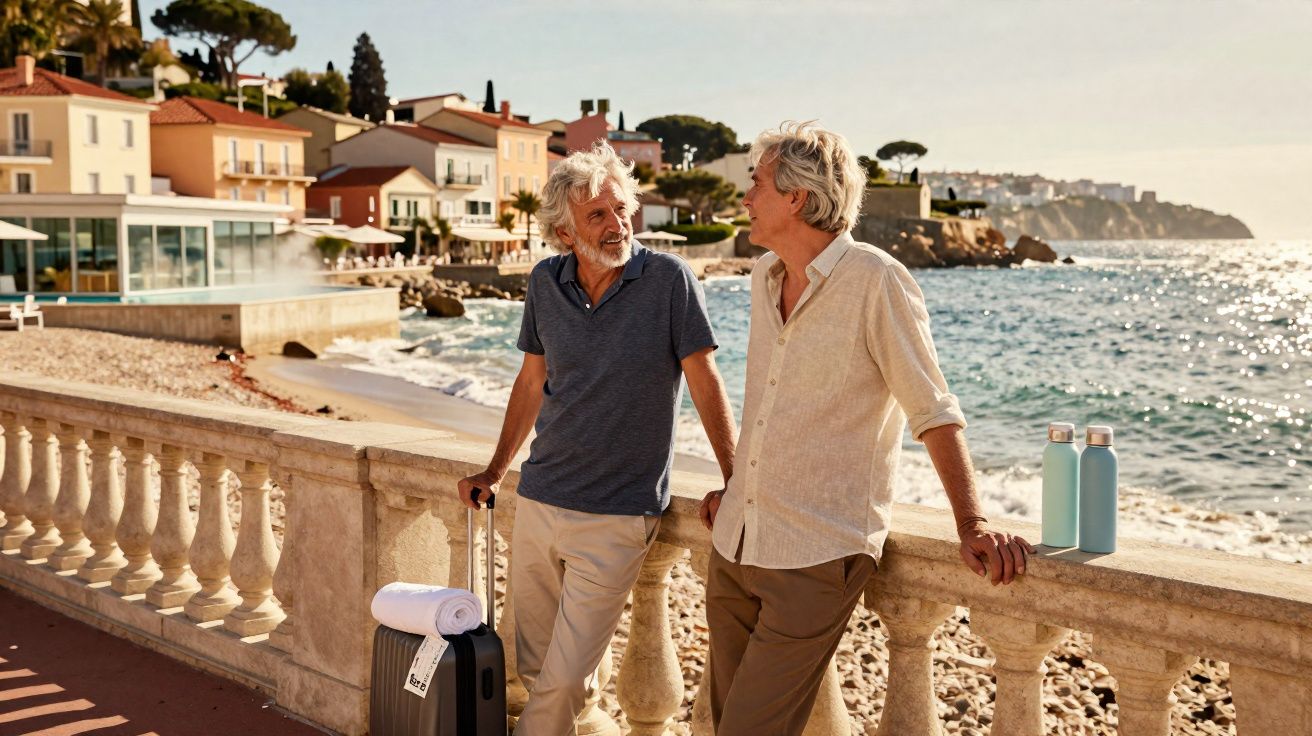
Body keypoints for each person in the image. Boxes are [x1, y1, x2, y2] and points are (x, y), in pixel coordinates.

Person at [699, 121, 1033, 735]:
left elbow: (932, 408)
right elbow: (772, 407)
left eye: (757, 184)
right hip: (736, 545)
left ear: (796, 197)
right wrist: (736, 481)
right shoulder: (762, 277)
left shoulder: (877, 280)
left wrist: (971, 522)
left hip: (816, 554)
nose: (745, 198)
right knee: (721, 724)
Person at [457, 142, 737, 735]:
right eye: (597, 216)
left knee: (559, 681)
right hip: (539, 498)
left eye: (621, 210)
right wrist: (495, 470)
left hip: (617, 512)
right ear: (564, 231)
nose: (617, 226)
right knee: (537, 665)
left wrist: (738, 480)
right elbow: (531, 381)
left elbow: (704, 380)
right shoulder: (544, 282)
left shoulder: (669, 281)